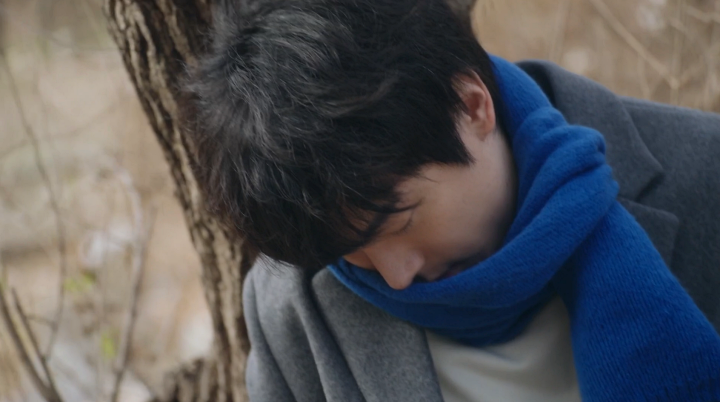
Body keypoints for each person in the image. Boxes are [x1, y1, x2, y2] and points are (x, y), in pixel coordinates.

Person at [187, 0, 720, 401]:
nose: (396, 278)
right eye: (353, 251)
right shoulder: (291, 305)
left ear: (471, 106)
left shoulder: (704, 176)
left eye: (397, 222)